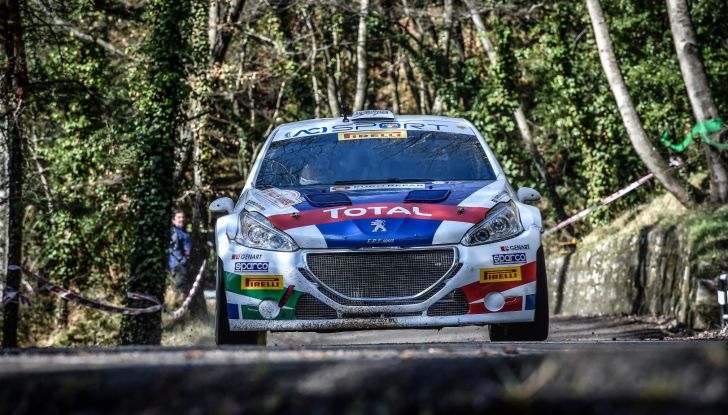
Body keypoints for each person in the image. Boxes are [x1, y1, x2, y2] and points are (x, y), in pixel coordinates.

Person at [169, 210, 192, 293]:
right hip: (178, 265)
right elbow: (174, 249)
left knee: (183, 289)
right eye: (178, 217)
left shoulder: (182, 232)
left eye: (183, 217)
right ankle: (179, 305)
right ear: (173, 220)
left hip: (182, 264)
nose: (181, 219)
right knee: (180, 290)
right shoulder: (174, 232)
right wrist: (183, 259)